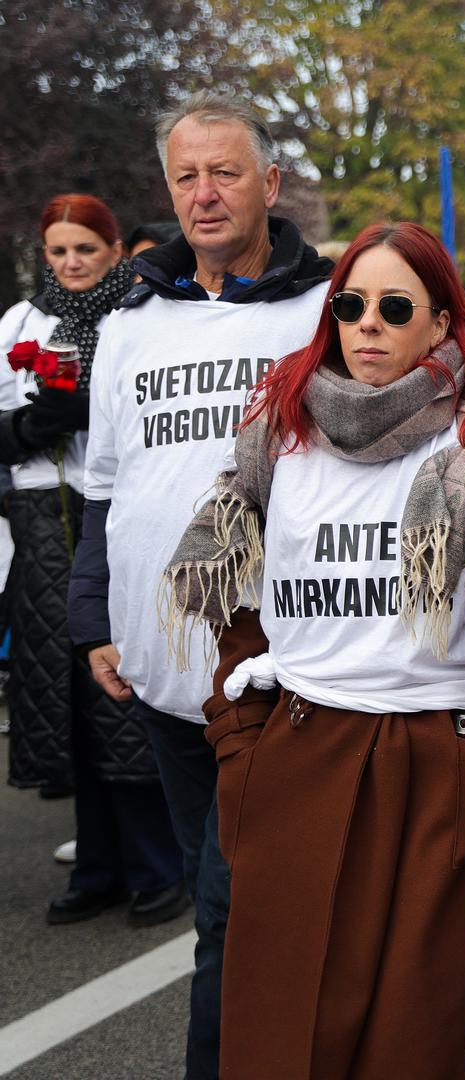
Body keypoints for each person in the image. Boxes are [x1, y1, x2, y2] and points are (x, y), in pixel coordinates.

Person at [162, 221, 465, 1079]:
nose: (368, 324)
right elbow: (230, 586)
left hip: (442, 757)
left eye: (395, 307)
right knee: (283, 1030)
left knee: (416, 1034)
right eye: (350, 305)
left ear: (441, 323)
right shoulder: (279, 429)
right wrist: (240, 739)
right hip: (303, 745)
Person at [66, 91, 333, 1080]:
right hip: (160, 667)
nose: (205, 193)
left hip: (275, 665)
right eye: (186, 176)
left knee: (231, 905)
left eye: (225, 172)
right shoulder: (129, 323)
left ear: (271, 182)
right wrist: (95, 617)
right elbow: (105, 485)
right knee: (218, 890)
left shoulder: (324, 312)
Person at [0, 194, 185, 925]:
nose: (71, 262)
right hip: (41, 520)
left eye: (86, 248)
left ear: (113, 251)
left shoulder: (138, 317)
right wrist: (29, 426)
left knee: (120, 694)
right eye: (58, 250)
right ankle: (98, 866)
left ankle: (155, 864)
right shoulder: (20, 322)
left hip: (111, 511)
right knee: (62, 697)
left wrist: (87, 413)